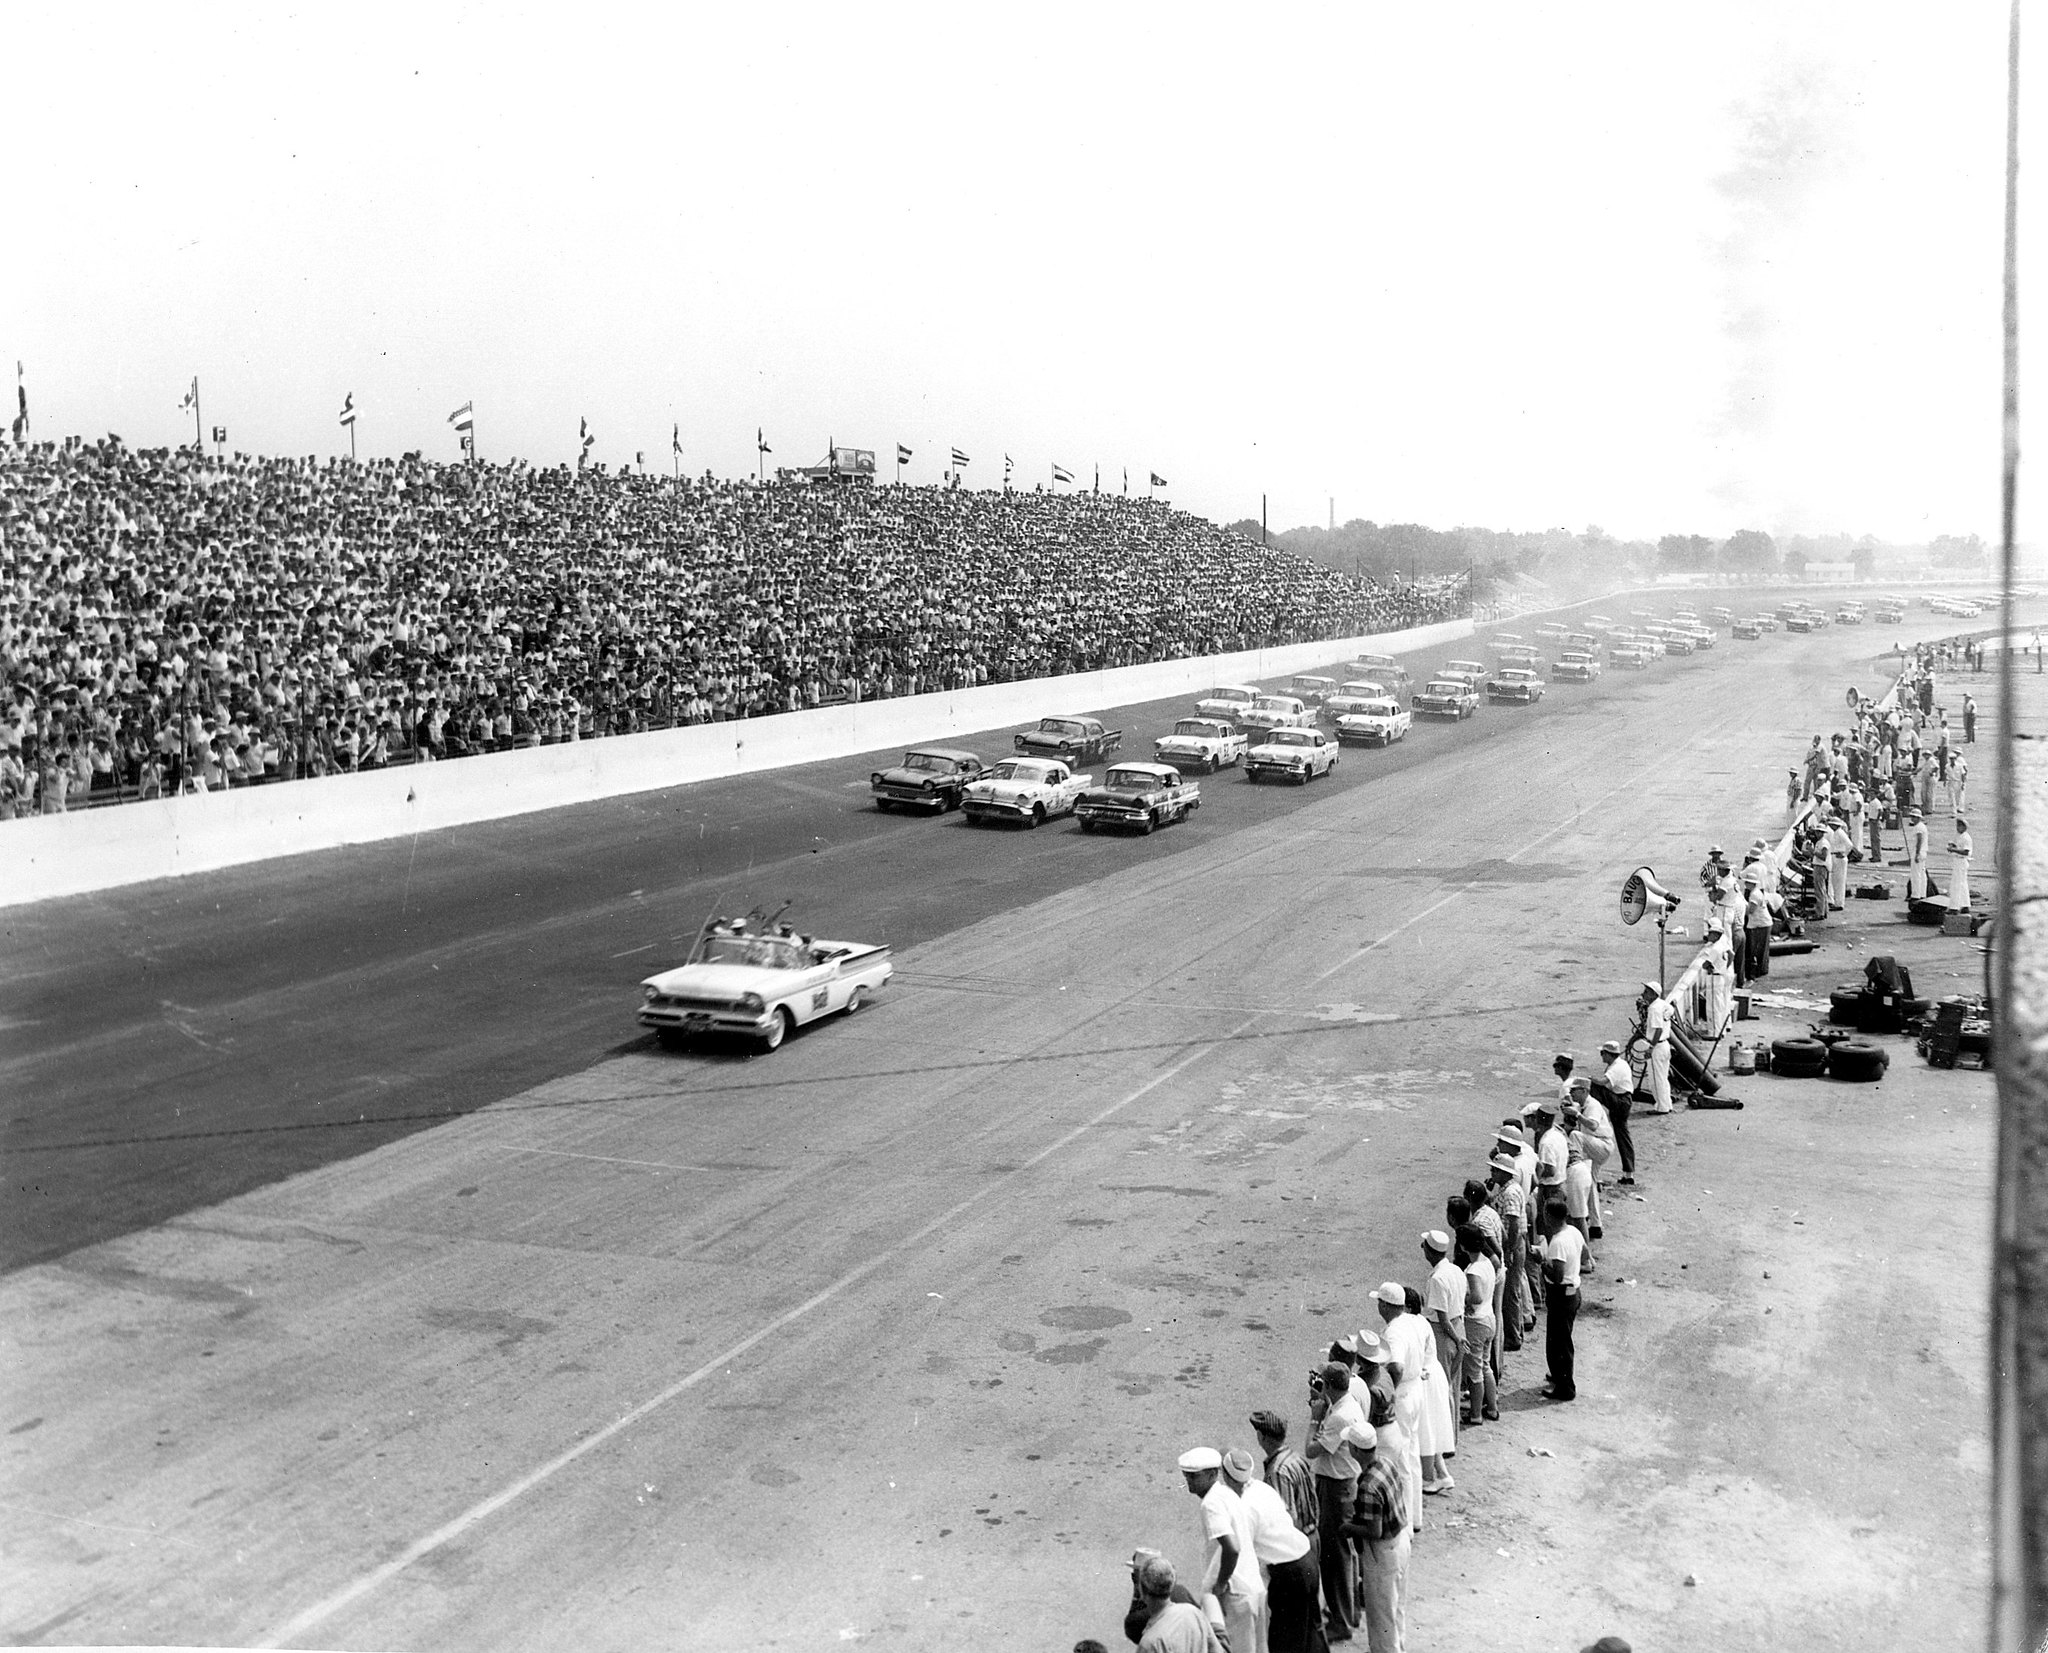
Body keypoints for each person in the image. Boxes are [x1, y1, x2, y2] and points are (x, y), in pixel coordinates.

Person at [1221, 1447, 1317, 1653]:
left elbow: (1241, 1553)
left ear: (1226, 1477)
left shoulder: (1242, 1507)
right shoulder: (1263, 1488)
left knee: (1284, 1641)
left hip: (1289, 1574)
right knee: (1309, 1634)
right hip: (1306, 1559)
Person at [1180, 1446, 1265, 1653]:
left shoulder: (1210, 1505)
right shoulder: (1227, 1494)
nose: (1190, 1481)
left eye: (1195, 1476)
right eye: (1187, 1476)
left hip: (1236, 1594)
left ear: (1212, 1474)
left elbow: (1232, 1548)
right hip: (1252, 1586)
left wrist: (1220, 1583)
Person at [1337, 1422, 1410, 1653]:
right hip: (1401, 1542)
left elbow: (1373, 1531)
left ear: (1357, 1450)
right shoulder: (1386, 1463)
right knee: (1396, 1609)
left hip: (1382, 1552)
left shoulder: (1368, 1486)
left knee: (1381, 1620)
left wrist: (1348, 1528)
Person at [1305, 1363, 1365, 1641]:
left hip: (1335, 1486)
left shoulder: (1339, 1416)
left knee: (1333, 1555)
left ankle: (1341, 1621)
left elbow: (1311, 1450)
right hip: (1345, 1482)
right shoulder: (1348, 1403)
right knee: (1345, 1552)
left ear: (1329, 1385)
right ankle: (1348, 1612)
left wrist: (1315, 1418)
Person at [1419, 1231, 1465, 1449]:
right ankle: (1452, 1437)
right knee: (1452, 1386)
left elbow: (1442, 1318)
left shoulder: (1437, 1279)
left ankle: (1446, 1443)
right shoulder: (1455, 1269)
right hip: (1459, 1326)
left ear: (1430, 1251)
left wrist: (1456, 1340)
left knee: (1442, 1388)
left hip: (1445, 1333)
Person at [1129, 1553, 1227, 1653]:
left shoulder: (1149, 1643)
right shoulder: (1193, 1612)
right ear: (1171, 1586)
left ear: (1142, 1592)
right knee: (1209, 1598)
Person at [1249, 1410, 1318, 1548]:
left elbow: (1286, 1518)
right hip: (1311, 1534)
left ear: (1261, 1436)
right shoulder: (1295, 1458)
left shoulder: (1277, 1472)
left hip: (1296, 1544)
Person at [1539, 1197, 1585, 1402]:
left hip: (1561, 1294)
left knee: (1559, 1343)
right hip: (1573, 1291)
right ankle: (1559, 1375)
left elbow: (1557, 1276)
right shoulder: (1573, 1232)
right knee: (1560, 1339)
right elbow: (1585, 1254)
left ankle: (1565, 1387)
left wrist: (1541, 1262)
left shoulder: (1557, 1242)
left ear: (1549, 1216)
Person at [1485, 1151, 1530, 1348]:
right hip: (1514, 1243)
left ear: (1504, 1172)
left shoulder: (1510, 1192)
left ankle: (1513, 1337)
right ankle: (1516, 1330)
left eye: (1495, 1170)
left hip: (1512, 1243)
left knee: (1510, 1293)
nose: (1492, 1173)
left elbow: (1512, 1224)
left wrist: (1509, 1250)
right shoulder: (1509, 1188)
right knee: (1513, 1290)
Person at [1455, 1223, 1499, 1425]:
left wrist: (1464, 1299)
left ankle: (1475, 1415)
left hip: (1477, 1322)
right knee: (1485, 1367)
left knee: (1474, 1372)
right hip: (1489, 1319)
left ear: (1464, 1246)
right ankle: (1492, 1407)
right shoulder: (1487, 1263)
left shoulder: (1473, 1270)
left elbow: (1477, 1297)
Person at [1592, 1039, 1636, 1183]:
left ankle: (1590, 1107)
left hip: (1621, 1101)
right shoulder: (1619, 1064)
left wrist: (1590, 1079)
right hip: (1621, 1100)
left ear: (1609, 1054)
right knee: (1622, 1135)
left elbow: (1603, 1082)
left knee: (1592, 1087)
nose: (1602, 1056)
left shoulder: (1616, 1068)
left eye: (1602, 1053)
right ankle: (1628, 1173)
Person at [1638, 983, 1673, 1114]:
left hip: (1657, 1046)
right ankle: (1666, 1104)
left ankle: (1661, 1107)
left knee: (1655, 1079)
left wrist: (1651, 1047)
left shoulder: (1653, 1008)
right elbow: (1671, 1010)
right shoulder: (1663, 1005)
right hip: (1665, 1045)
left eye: (1647, 992)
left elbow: (1658, 1029)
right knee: (1663, 1078)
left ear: (1654, 994)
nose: (1643, 994)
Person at [1947, 816, 1974, 911]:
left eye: (1959, 826)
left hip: (1961, 861)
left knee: (1956, 884)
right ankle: (1965, 904)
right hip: (1957, 861)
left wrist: (1953, 850)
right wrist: (1952, 845)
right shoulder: (1958, 835)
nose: (1957, 828)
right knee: (1962, 884)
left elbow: (1966, 852)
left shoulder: (1966, 837)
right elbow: (1955, 843)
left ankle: (1955, 907)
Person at [1904, 807, 1930, 901]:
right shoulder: (1922, 826)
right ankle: (1922, 893)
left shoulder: (1918, 827)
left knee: (1916, 874)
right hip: (1923, 852)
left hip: (1918, 851)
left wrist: (1917, 853)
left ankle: (1916, 895)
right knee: (1922, 874)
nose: (1912, 818)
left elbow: (1919, 841)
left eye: (1914, 817)